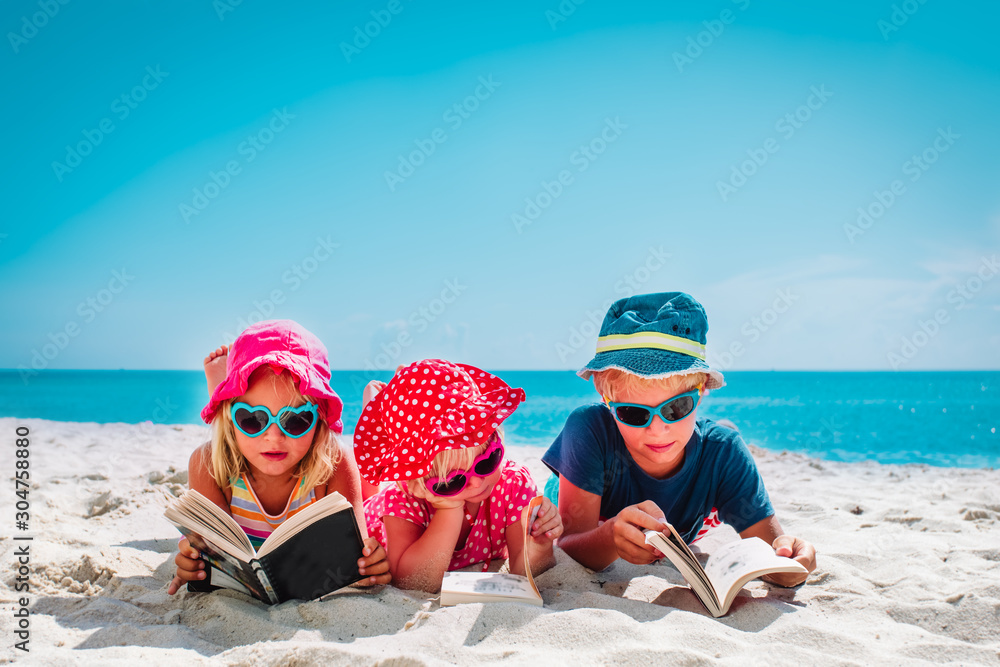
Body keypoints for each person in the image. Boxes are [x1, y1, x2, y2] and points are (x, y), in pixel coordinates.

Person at [542, 292, 816, 586]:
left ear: (701, 391)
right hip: (580, 496)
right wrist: (609, 538)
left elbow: (776, 557)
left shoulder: (725, 452)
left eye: (677, 407)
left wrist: (795, 561)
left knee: (722, 439)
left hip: (689, 512)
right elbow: (569, 544)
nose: (658, 429)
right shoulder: (589, 431)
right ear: (607, 401)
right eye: (633, 413)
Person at [167, 319, 390, 595]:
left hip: (325, 470)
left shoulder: (334, 464)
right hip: (234, 463)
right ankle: (227, 391)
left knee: (373, 498)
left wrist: (369, 565)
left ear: (319, 419)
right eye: (251, 419)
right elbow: (212, 556)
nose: (274, 437)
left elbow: (357, 560)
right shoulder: (209, 464)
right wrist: (192, 565)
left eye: (295, 419)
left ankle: (376, 428)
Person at [355, 359, 563, 592]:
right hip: (373, 520)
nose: (476, 482)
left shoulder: (512, 485)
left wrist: (541, 544)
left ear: (496, 437)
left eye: (487, 461)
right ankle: (376, 409)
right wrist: (448, 509)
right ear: (417, 483)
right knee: (364, 501)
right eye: (451, 481)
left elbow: (523, 573)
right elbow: (410, 583)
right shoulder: (404, 500)